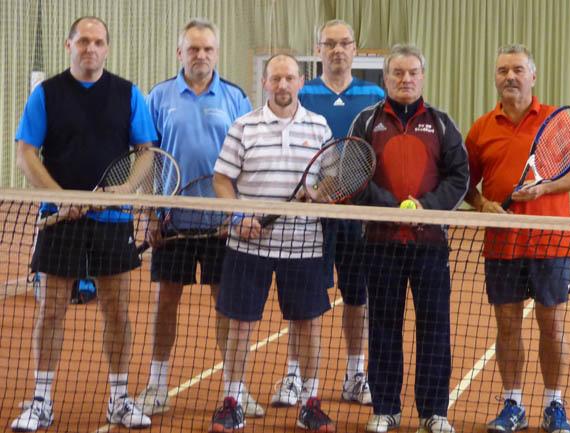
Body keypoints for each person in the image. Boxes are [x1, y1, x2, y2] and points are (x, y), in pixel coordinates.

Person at [11, 16, 156, 431]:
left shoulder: (129, 93)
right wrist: (61, 197)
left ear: (106, 48)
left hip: (114, 219)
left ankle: (119, 399)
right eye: (83, 41)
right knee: (51, 310)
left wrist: (125, 189)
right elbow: (25, 153)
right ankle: (41, 401)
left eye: (97, 42)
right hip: (60, 221)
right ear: (68, 45)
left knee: (117, 311)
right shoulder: (46, 94)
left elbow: (146, 151)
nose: (90, 48)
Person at [133, 18, 262, 419]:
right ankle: (157, 385)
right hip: (174, 221)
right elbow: (148, 158)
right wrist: (152, 213)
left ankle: (235, 390)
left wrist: (238, 213)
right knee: (165, 302)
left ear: (216, 53)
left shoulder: (236, 97)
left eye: (207, 49)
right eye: (193, 49)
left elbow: (248, 160)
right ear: (180, 53)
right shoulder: (159, 96)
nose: (200, 55)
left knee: (228, 306)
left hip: (223, 225)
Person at [465, 44, 570, 433]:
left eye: (518, 69)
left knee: (551, 326)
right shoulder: (481, 128)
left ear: (532, 76)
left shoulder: (556, 121)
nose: (510, 76)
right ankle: (513, 403)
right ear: (495, 77)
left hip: (551, 244)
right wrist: (482, 203)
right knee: (507, 327)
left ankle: (554, 403)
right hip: (502, 245)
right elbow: (465, 182)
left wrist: (544, 188)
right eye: (503, 70)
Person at [210, 53, 335, 433]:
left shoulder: (319, 126)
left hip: (304, 245)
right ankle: (232, 401)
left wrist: (318, 193)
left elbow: (332, 178)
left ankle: (310, 402)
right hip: (249, 246)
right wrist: (238, 217)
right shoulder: (243, 126)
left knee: (308, 325)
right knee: (240, 325)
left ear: (301, 82)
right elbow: (221, 179)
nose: (282, 85)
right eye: (275, 78)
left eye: (289, 78)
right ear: (264, 82)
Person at [349, 44, 468, 433]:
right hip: (380, 244)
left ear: (423, 77)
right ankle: (386, 408)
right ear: (385, 78)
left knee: (434, 328)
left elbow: (459, 177)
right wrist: (392, 208)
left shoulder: (442, 123)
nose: (406, 79)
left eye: (413, 72)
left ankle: (434, 412)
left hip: (430, 246)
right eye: (398, 73)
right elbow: (354, 175)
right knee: (384, 326)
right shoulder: (366, 122)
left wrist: (425, 208)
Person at [270, 19, 384, 408]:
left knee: (357, 297)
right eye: (329, 44)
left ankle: (355, 375)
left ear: (355, 49)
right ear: (318, 49)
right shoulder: (302, 93)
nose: (337, 50)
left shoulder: (375, 95)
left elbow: (377, 156)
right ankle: (294, 375)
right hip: (308, 218)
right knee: (304, 300)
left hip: (355, 218)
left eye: (344, 43)